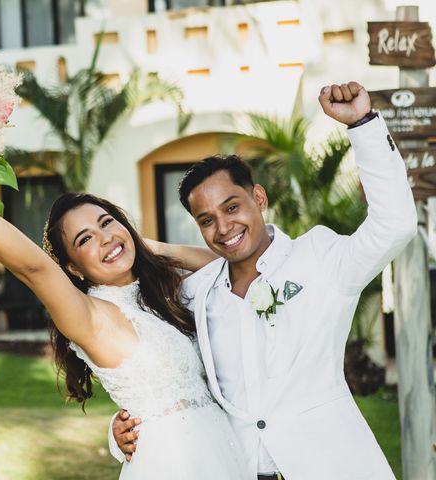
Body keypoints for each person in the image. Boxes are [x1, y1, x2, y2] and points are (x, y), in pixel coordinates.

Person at [110, 81, 417, 480]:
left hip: (329, 466)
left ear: (258, 197)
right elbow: (161, 375)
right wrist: (118, 435)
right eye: (206, 220)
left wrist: (362, 124)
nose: (223, 228)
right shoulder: (194, 296)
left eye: (232, 207)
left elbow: (395, 225)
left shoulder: (319, 258)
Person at [0, 166, 252, 478]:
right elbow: (34, 268)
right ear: (73, 268)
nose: (104, 238)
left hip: (222, 448)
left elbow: (222, 269)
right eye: (85, 239)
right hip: (172, 464)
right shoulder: (90, 316)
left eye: (107, 223)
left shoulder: (160, 292)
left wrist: (147, 247)